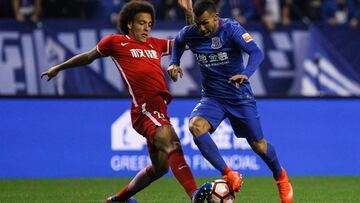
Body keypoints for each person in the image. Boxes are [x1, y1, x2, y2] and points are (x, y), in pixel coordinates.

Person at [40, 1, 211, 202]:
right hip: (144, 109)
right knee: (172, 142)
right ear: (129, 24)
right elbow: (87, 57)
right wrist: (58, 68)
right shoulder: (115, 42)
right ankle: (194, 195)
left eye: (149, 24)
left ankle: (117, 200)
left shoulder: (155, 44)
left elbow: (188, 42)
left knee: (160, 168)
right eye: (141, 23)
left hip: (159, 109)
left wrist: (189, 14)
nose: (146, 28)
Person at [167, 0, 293, 202]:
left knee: (259, 145)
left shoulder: (232, 29)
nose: (202, 28)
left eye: (206, 23)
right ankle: (228, 173)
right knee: (196, 126)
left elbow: (256, 52)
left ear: (216, 17)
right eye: (198, 23)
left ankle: (280, 176)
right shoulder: (192, 32)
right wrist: (174, 62)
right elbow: (179, 41)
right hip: (212, 97)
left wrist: (246, 73)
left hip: (238, 96)